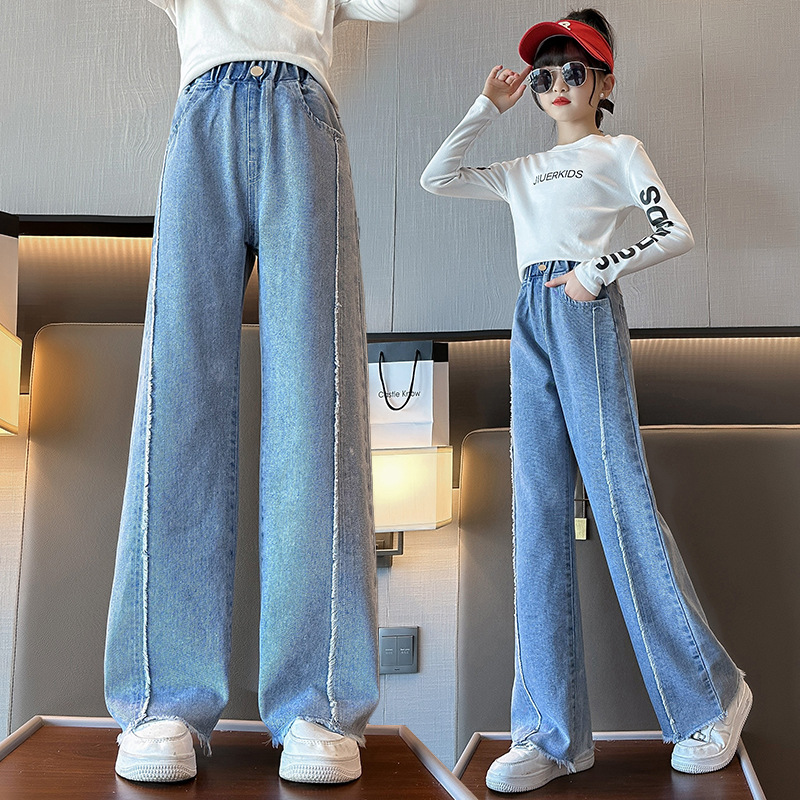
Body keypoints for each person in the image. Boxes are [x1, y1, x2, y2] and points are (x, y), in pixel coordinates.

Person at [421, 8, 751, 794]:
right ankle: (550, 733)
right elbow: (437, 177)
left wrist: (597, 272)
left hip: (582, 308)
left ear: (604, 82)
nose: (558, 85)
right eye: (545, 74)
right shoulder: (523, 168)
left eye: (575, 71)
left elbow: (674, 230)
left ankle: (712, 698)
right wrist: (486, 106)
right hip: (528, 313)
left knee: (619, 500)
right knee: (536, 514)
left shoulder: (618, 150)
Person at [104, 0, 424, 786]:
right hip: (203, 111)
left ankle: (318, 701)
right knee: (178, 401)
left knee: (317, 407)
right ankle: (163, 699)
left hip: (303, 110)